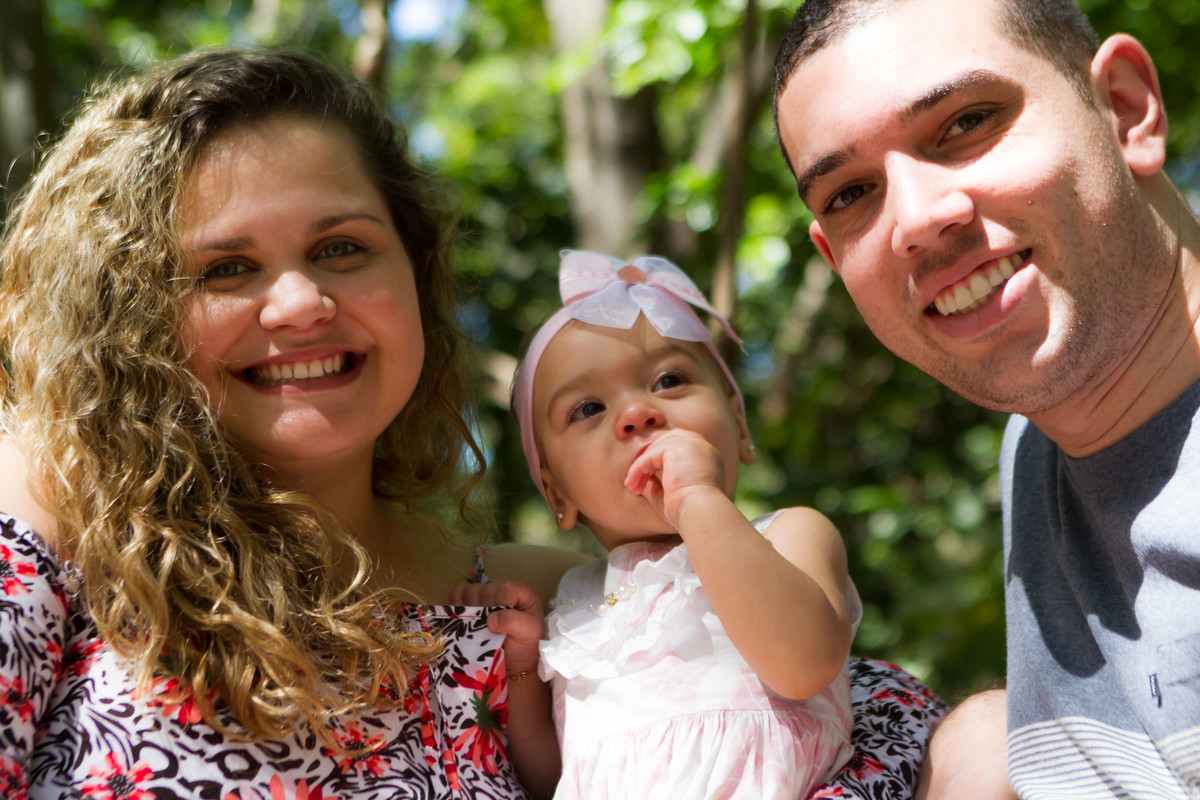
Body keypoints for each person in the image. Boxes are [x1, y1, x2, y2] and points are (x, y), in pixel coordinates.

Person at [0, 47, 585, 799]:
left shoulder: (531, 608)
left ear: (416, 271)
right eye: (225, 269)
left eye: (340, 248)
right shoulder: (47, 503)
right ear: (127, 319)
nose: (303, 302)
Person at [772, 0, 1200, 797]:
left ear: (1126, 109)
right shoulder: (1038, 446)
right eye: (850, 192)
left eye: (967, 121)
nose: (918, 221)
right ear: (835, 261)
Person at [454, 250, 946, 799]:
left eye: (668, 379)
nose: (637, 414)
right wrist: (522, 673)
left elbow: (804, 664)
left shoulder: (787, 534)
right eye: (588, 408)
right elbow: (556, 778)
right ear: (557, 493)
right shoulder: (574, 605)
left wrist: (698, 500)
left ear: (738, 425)